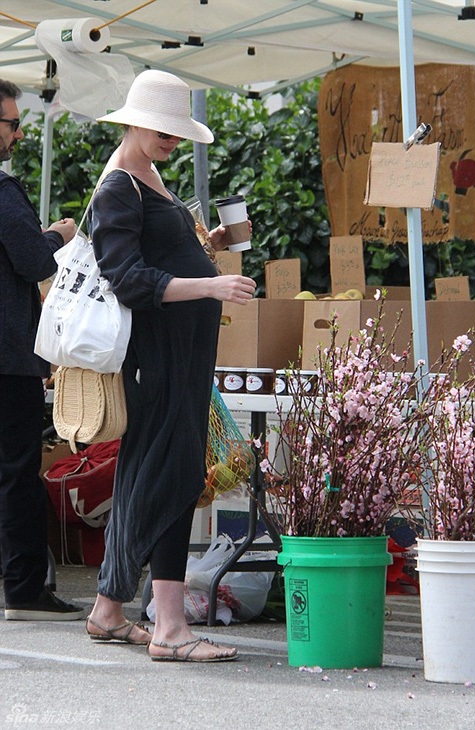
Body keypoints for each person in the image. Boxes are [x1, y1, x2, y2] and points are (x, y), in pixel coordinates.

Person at [85, 70, 256, 662]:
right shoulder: (119, 188)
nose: (170, 140)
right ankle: (170, 629)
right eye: (162, 129)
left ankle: (110, 610)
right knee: (171, 480)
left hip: (174, 359)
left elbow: (153, 259)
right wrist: (210, 286)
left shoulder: (145, 178)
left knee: (147, 478)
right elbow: (128, 279)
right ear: (134, 120)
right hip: (158, 360)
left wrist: (205, 245)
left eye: (177, 133)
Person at [0, 79, 84, 621]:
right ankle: (25, 589)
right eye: (10, 123)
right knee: (16, 472)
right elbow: (36, 262)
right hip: (7, 357)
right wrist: (59, 234)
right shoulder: (4, 193)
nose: (19, 132)